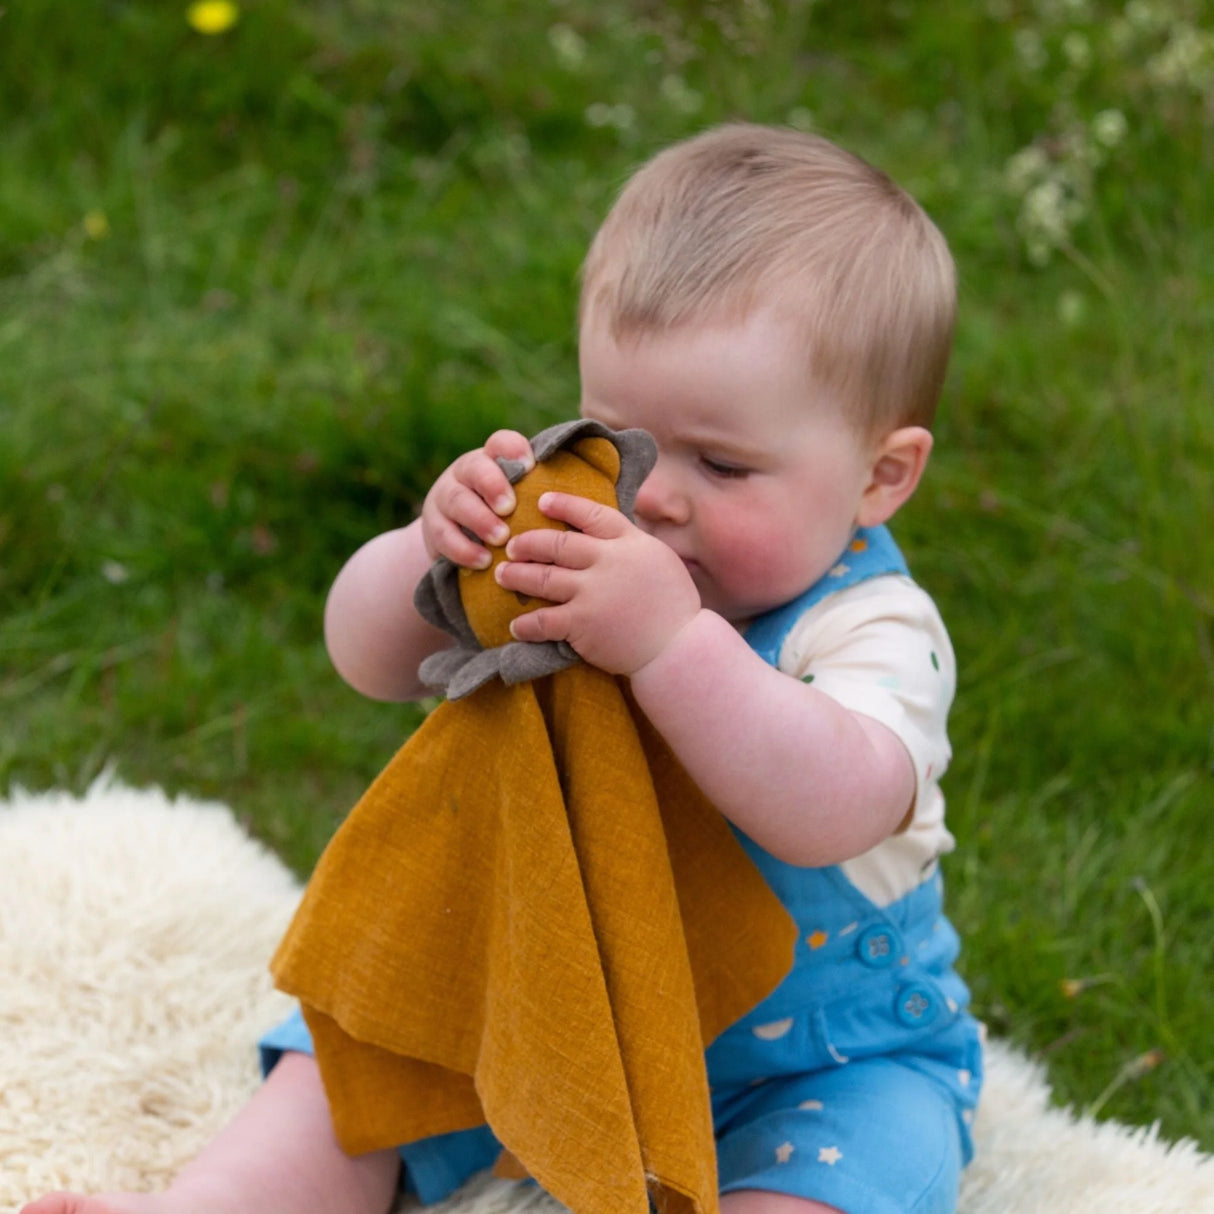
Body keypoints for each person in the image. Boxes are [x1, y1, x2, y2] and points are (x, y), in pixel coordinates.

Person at [25, 122, 982, 1214]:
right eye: (622, 433)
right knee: (350, 1064)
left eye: (722, 462)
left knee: (861, 1169)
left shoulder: (873, 629)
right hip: (548, 991)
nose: (655, 495)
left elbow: (831, 803)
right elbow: (367, 660)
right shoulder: (572, 541)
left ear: (880, 475)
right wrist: (427, 559)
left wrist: (673, 647)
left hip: (812, 1057)